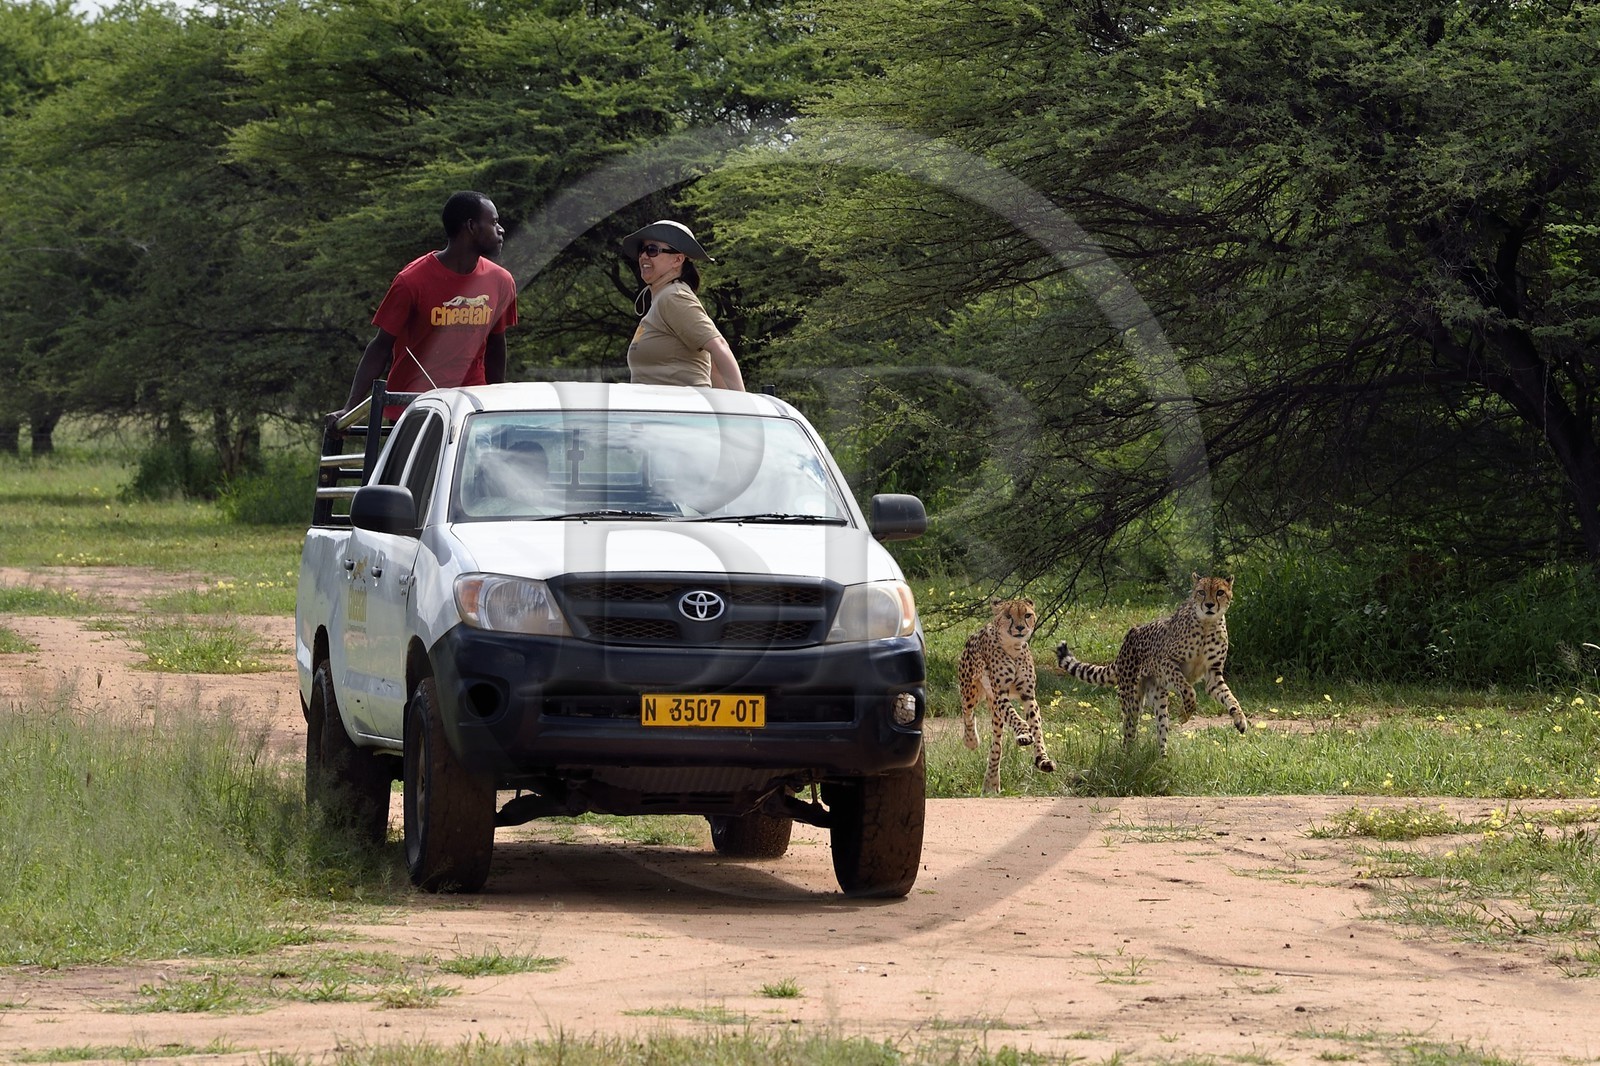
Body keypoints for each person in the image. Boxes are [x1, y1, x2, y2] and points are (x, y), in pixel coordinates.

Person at [335, 191, 519, 420]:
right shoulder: (412, 280)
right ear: (471, 226)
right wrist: (350, 407)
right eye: (493, 222)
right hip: (413, 407)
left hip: (469, 408)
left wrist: (495, 406)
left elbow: (496, 345)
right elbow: (381, 346)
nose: (501, 229)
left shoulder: (500, 281)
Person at [622, 220, 745, 391]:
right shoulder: (663, 298)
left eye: (652, 250)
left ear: (678, 259)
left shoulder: (674, 297)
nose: (643, 256)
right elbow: (712, 363)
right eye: (641, 250)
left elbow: (718, 346)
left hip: (680, 406)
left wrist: (741, 403)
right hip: (665, 407)